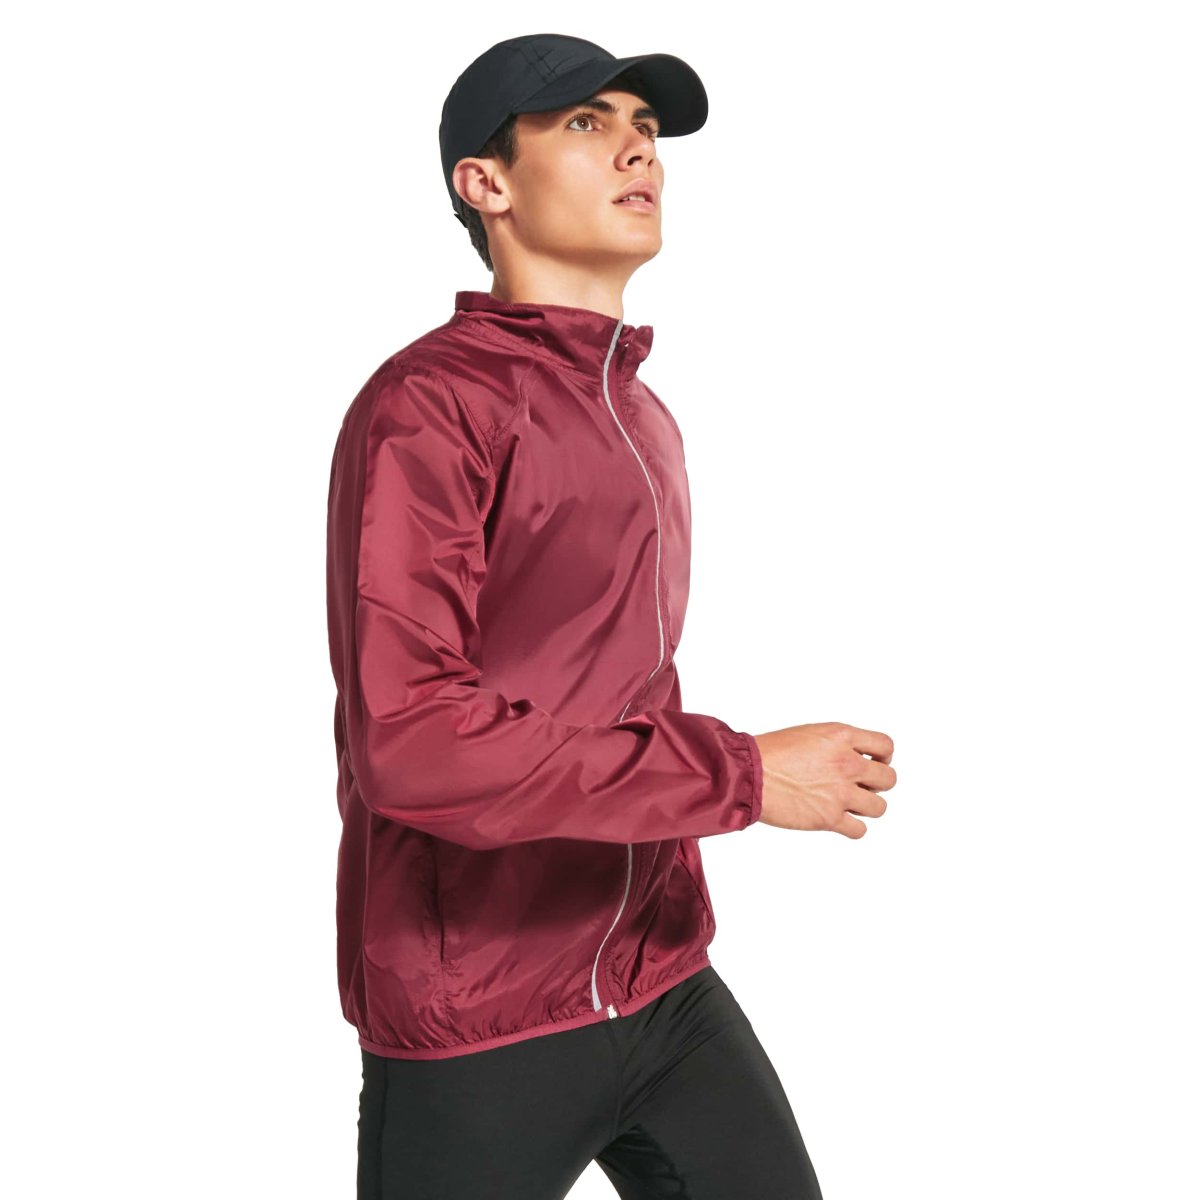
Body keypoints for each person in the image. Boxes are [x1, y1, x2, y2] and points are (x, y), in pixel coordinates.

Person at [325, 32, 897, 1200]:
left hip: (661, 978)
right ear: (485, 184)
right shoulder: (429, 406)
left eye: (645, 127)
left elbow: (614, 694)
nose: (640, 149)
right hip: (482, 1011)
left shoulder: (641, 415)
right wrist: (743, 776)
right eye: (587, 124)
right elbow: (414, 744)